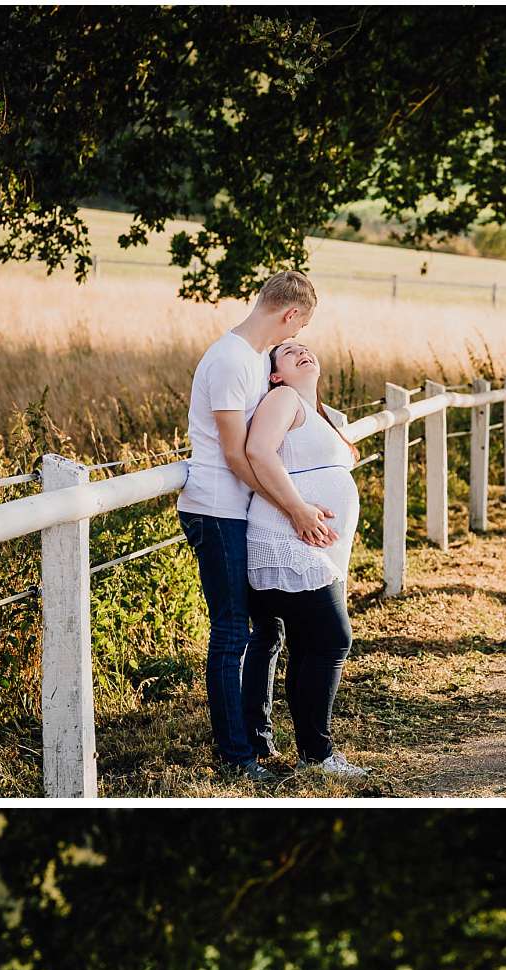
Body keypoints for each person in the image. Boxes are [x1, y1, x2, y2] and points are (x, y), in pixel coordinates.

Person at [176, 272, 339, 785]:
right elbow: (233, 452)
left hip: (243, 510)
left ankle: (257, 737)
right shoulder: (229, 360)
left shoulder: (249, 359)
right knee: (232, 634)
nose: (298, 335)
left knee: (267, 627)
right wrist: (292, 506)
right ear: (290, 315)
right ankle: (236, 758)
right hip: (217, 508)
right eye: (302, 324)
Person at [242, 340, 369, 780]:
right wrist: (298, 508)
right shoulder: (283, 398)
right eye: (288, 352)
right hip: (284, 539)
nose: (302, 352)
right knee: (334, 640)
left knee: (310, 645)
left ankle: (312, 754)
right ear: (275, 374)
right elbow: (258, 451)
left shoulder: (320, 412)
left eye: (306, 347)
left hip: (309, 544)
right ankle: (318, 754)